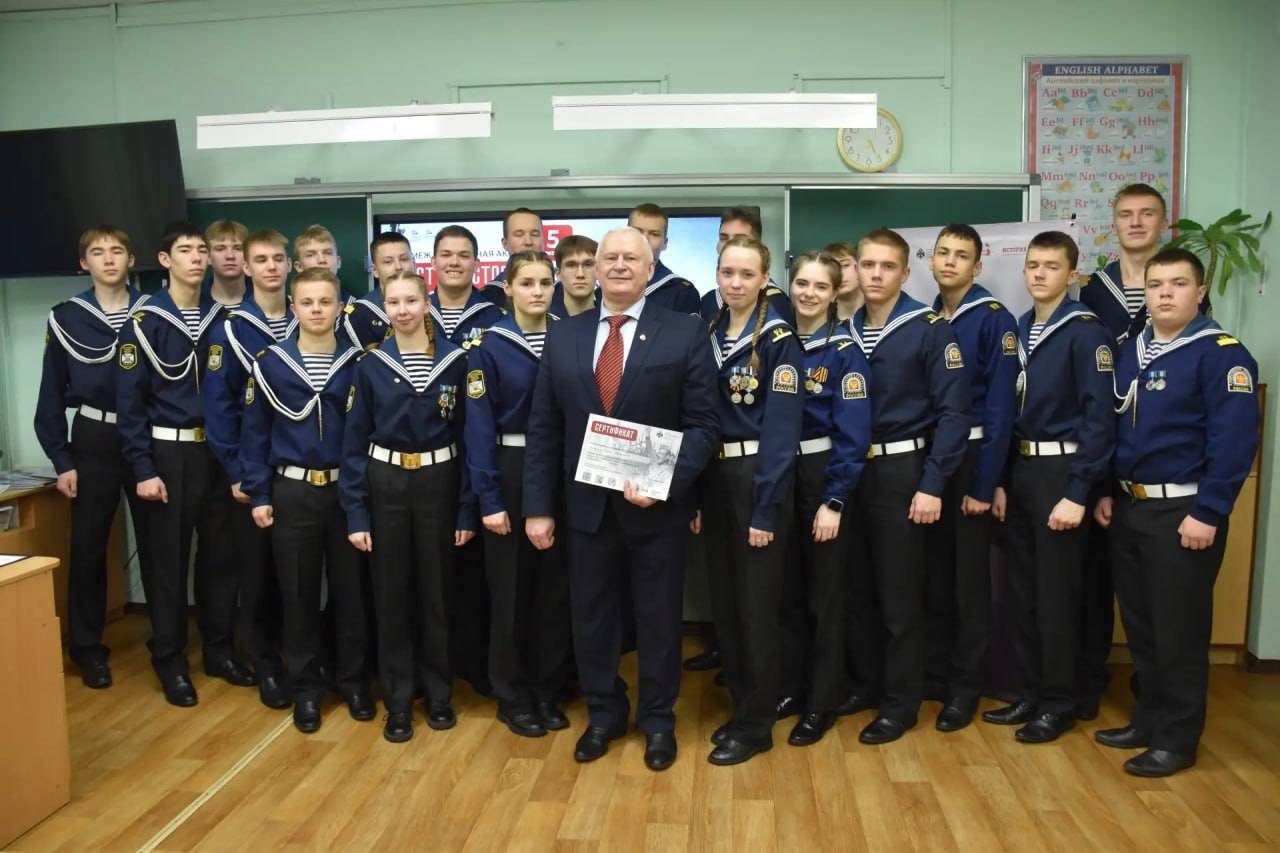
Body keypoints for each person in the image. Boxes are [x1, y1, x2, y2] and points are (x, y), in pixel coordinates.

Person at [523, 226, 719, 772]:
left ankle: (658, 721)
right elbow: (544, 428)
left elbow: (705, 425)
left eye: (631, 258)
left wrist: (660, 482)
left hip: (656, 510)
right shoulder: (564, 335)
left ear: (650, 269)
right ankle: (604, 715)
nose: (618, 266)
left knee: (658, 621)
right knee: (591, 619)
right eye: (609, 257)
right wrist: (537, 507)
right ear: (593, 269)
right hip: (585, 510)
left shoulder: (684, 331)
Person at [1093, 248, 1258, 777]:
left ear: (1199, 291)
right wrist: (1106, 490)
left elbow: (1234, 442)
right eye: (1156, 284)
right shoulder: (1132, 350)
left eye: (1178, 283)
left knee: (1178, 631)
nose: (1164, 293)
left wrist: (1209, 511)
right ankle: (1147, 720)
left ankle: (1177, 739)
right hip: (1130, 506)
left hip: (1184, 511)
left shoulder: (1221, 355)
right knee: (1141, 625)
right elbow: (1117, 428)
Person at [1076, 183, 1207, 719]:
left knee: (1166, 613)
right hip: (1109, 464)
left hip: (1169, 476)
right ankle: (1100, 690)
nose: (1135, 222)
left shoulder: (1186, 299)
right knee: (1107, 591)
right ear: (1114, 223)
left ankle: (1162, 716)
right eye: (1126, 214)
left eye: (1146, 214)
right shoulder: (1094, 290)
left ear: (1163, 222)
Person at [983, 230, 1116, 744]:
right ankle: (1031, 691)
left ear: (1073, 274)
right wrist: (1001, 481)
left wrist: (1079, 491)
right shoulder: (1020, 327)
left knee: (1058, 596)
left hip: (1063, 472)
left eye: (1052, 266)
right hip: (1023, 470)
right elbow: (1008, 411)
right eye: (1033, 265)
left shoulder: (1085, 332)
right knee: (1024, 594)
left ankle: (1060, 702)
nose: (1039, 274)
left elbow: (1099, 419)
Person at [340, 269, 476, 743]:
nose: (402, 310)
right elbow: (353, 445)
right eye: (393, 302)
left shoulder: (456, 362)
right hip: (388, 484)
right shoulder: (370, 366)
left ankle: (438, 694)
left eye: (411, 301)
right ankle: (398, 700)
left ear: (426, 304)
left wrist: (466, 508)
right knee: (392, 595)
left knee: (437, 595)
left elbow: (469, 440)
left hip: (440, 482)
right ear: (385, 309)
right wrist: (356, 512)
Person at [116, 221, 247, 706]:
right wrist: (143, 469)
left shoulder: (222, 320)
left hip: (216, 452)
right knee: (166, 561)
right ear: (165, 260)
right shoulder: (144, 322)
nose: (196, 258)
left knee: (221, 557)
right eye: (186, 250)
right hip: (167, 453)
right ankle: (169, 659)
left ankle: (218, 650)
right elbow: (129, 405)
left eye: (201, 250)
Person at [847, 228, 970, 744]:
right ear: (856, 269)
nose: (876, 275)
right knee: (858, 588)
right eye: (868, 264)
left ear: (905, 272)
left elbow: (954, 414)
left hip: (904, 471)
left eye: (887, 266)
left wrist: (932, 484)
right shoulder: (845, 330)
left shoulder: (929, 330)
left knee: (901, 597)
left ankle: (900, 703)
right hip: (852, 473)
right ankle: (866, 685)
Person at [241, 267, 373, 733]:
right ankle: (306, 687)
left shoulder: (361, 363)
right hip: (293, 490)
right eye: (308, 302)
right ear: (293, 307)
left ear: (340, 307)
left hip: (346, 491)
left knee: (351, 591)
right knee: (297, 592)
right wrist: (259, 492)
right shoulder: (270, 363)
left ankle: (353, 681)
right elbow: (254, 433)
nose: (317, 310)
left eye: (325, 301)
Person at [699, 235, 803, 764]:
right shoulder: (710, 332)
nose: (735, 283)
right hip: (714, 475)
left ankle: (758, 723)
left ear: (765, 280)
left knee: (757, 607)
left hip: (756, 476)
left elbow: (783, 435)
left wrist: (766, 507)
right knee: (728, 604)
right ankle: (742, 705)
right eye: (727, 273)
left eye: (746, 274)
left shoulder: (779, 340)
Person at [34, 226, 150, 688]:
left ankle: (167, 644)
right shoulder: (67, 317)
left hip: (147, 439)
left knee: (159, 545)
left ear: (131, 259)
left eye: (117, 251)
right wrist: (61, 459)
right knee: (88, 547)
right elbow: (49, 393)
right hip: (94, 437)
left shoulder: (153, 313)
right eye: (97, 253)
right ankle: (87, 649)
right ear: (84, 263)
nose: (108, 259)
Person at [465, 251, 571, 737]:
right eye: (526, 283)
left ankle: (548, 688)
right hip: (509, 466)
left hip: (563, 468)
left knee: (554, 590)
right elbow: (478, 428)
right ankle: (511, 695)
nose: (537, 291)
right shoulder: (489, 346)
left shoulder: (570, 337)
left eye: (545, 282)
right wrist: (488, 499)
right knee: (509, 591)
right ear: (506, 288)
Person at [922, 224, 1019, 732]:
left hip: (973, 457)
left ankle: (965, 688)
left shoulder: (993, 319)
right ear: (930, 260)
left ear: (978, 266)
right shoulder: (928, 317)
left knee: (968, 584)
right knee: (934, 575)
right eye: (943, 253)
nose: (950, 262)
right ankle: (937, 675)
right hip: (934, 457)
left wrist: (986, 483)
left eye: (962, 255)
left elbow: (1001, 410)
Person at [776, 252, 871, 746]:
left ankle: (823, 701)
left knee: (826, 597)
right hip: (780, 474)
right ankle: (793, 688)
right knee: (788, 592)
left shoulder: (845, 352)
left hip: (821, 473)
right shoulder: (775, 342)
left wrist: (834, 500)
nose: (808, 293)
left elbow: (854, 435)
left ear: (835, 294)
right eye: (802, 284)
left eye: (819, 286)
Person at [202, 228, 298, 709]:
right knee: (256, 573)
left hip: (300, 470)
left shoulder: (308, 320)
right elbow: (219, 409)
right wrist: (239, 472)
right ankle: (265, 664)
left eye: (278, 258)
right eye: (261, 260)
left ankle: (296, 657)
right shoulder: (231, 329)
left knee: (296, 573)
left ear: (290, 264)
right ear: (246, 267)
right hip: (254, 471)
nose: (271, 267)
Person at [697, 207, 795, 327]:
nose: (730, 245)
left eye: (739, 239)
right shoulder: (708, 301)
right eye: (724, 238)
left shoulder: (776, 302)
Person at [429, 225, 504, 345]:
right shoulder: (415, 313)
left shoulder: (495, 317)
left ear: (476, 265)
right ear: (434, 262)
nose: (454, 262)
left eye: (463, 256)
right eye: (446, 255)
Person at [343, 231, 415, 350]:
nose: (398, 267)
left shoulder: (429, 307)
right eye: (388, 262)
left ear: (413, 263)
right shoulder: (358, 315)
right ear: (375, 270)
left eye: (404, 259)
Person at [627, 203, 702, 315]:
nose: (644, 239)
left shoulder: (682, 293)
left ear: (665, 243)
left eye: (654, 234)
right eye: (637, 231)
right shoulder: (606, 287)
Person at [485, 207, 543, 305]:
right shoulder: (489, 297)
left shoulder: (560, 293)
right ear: (505, 243)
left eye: (535, 234)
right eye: (519, 234)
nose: (528, 242)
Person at [550, 234, 598, 318]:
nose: (580, 274)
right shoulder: (542, 320)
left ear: (599, 271)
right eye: (571, 265)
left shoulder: (613, 319)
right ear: (558, 273)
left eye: (588, 264)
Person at [205, 220, 249, 308]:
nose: (230, 256)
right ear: (208, 257)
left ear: (248, 256)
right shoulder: (193, 300)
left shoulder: (266, 299)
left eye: (238, 248)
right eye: (220, 249)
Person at [822, 241, 863, 321]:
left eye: (845, 265)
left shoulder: (880, 310)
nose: (840, 274)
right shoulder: (821, 318)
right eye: (833, 268)